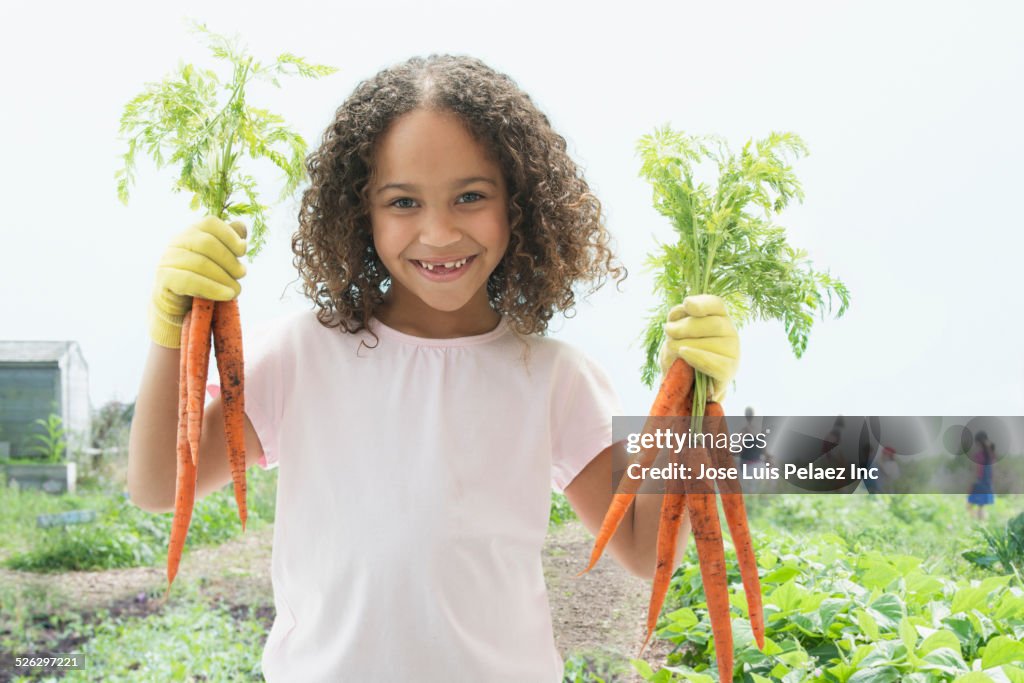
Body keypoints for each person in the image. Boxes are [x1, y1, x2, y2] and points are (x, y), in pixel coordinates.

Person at [127, 54, 741, 682]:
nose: (440, 231)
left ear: (520, 207)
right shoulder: (298, 355)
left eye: (470, 196)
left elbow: (642, 547)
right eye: (403, 202)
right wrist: (172, 331)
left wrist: (689, 401)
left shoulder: (555, 377)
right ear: (360, 213)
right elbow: (154, 487)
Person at [967, 431, 996, 521]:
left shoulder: (978, 456)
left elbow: (975, 472)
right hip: (987, 483)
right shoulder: (991, 455)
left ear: (978, 443)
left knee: (970, 506)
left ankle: (977, 524)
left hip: (979, 483)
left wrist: (971, 484)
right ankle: (981, 524)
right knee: (981, 507)